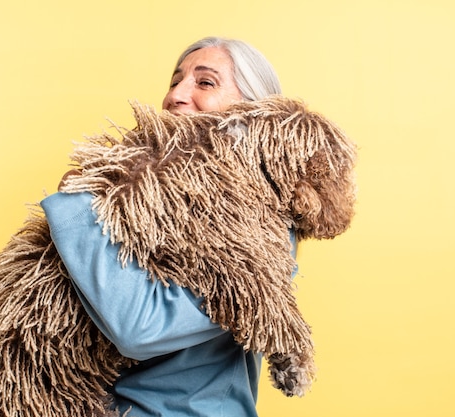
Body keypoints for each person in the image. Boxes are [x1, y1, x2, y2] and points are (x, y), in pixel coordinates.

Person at [40, 36, 296, 417]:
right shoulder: (147, 197)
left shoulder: (257, 222)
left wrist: (80, 204)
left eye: (205, 82)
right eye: (175, 81)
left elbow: (140, 329)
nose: (176, 95)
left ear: (252, 111)